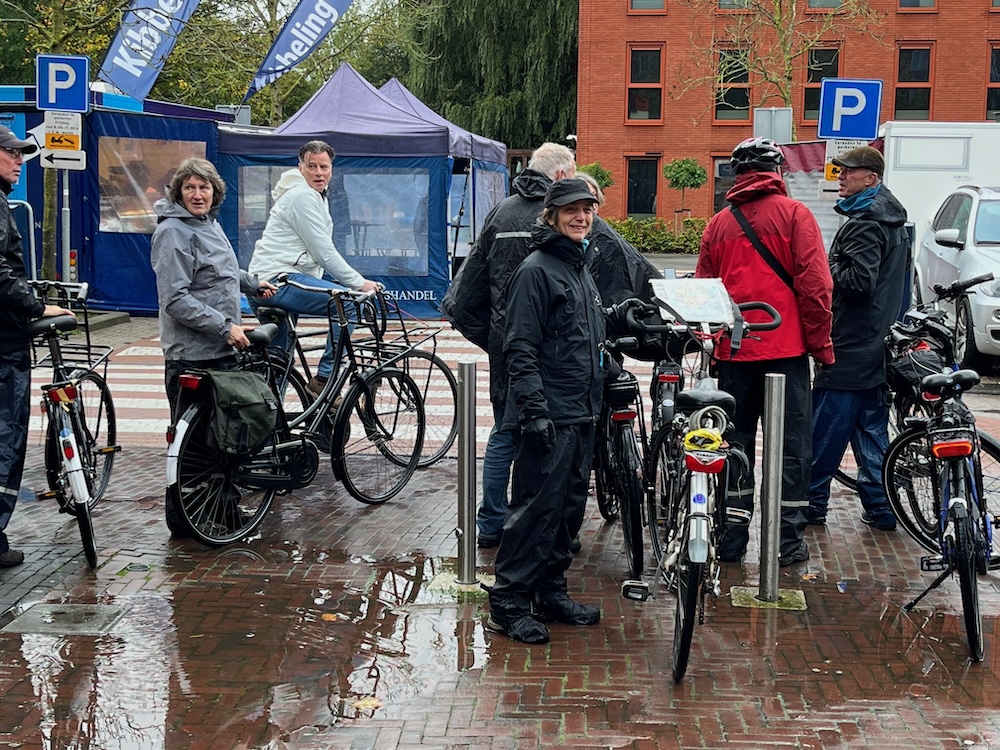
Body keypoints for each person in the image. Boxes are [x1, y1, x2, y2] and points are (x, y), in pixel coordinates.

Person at [486, 178, 645, 644]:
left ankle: (550, 591)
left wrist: (620, 316)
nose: (582, 217)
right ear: (551, 215)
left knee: (567, 512)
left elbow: (582, 328)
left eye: (588, 210)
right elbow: (520, 345)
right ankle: (509, 602)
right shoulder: (537, 270)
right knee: (534, 512)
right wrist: (533, 411)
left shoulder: (577, 267)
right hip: (550, 414)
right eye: (572, 210)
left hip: (581, 412)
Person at [695, 137, 834, 567]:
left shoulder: (719, 223)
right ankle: (786, 542)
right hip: (785, 352)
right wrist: (821, 346)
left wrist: (715, 341)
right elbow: (816, 287)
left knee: (734, 444)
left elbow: (705, 291)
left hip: (735, 353)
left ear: (736, 175)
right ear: (778, 172)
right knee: (792, 446)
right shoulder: (796, 215)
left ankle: (732, 537)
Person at [441, 143, 577, 549]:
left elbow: (468, 291)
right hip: (555, 348)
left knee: (506, 431)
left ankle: (491, 523)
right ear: (558, 178)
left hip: (507, 344)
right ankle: (545, 524)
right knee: (559, 434)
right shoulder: (558, 217)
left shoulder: (501, 213)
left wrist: (494, 338)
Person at [150, 157, 276, 533]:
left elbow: (218, 270)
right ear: (179, 193)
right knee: (193, 449)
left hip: (219, 349)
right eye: (190, 187)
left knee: (219, 441)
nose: (198, 194)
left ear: (214, 191)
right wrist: (224, 326)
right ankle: (184, 521)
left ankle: (221, 512)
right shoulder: (173, 232)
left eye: (204, 187)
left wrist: (253, 283)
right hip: (193, 353)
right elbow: (175, 299)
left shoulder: (206, 225)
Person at [808, 146, 908, 532]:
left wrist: (826, 264)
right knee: (871, 433)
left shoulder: (867, 220)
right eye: (839, 172)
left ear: (871, 178)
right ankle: (882, 510)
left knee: (827, 432)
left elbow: (859, 282)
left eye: (848, 173)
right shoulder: (890, 217)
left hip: (850, 344)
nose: (840, 178)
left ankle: (811, 506)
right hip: (873, 341)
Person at [248, 141, 380, 396]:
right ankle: (324, 379)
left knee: (278, 360)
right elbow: (324, 252)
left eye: (324, 166)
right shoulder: (303, 196)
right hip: (279, 280)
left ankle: (269, 423)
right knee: (347, 303)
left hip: (267, 281)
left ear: (332, 170)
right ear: (301, 168)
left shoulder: (313, 196)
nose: (319, 172)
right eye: (312, 166)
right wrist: (359, 283)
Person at [0, 124, 73, 567]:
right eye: (11, 154)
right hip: (4, 343)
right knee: (6, 439)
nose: (19, 162)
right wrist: (36, 306)